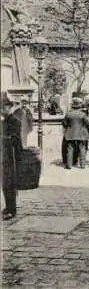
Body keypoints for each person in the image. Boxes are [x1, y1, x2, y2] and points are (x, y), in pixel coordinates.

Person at [1, 92, 23, 220]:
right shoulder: (4, 121)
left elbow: (12, 139)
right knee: (5, 183)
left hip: (12, 156)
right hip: (4, 156)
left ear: (8, 108)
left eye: (3, 108)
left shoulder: (15, 121)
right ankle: (8, 206)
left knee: (9, 183)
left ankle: (12, 209)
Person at [62, 98, 89, 169]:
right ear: (79, 106)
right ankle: (82, 165)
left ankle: (69, 165)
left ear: (73, 105)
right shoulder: (83, 114)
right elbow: (88, 123)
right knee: (82, 149)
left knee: (70, 149)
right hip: (81, 134)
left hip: (70, 134)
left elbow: (64, 123)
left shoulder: (68, 114)